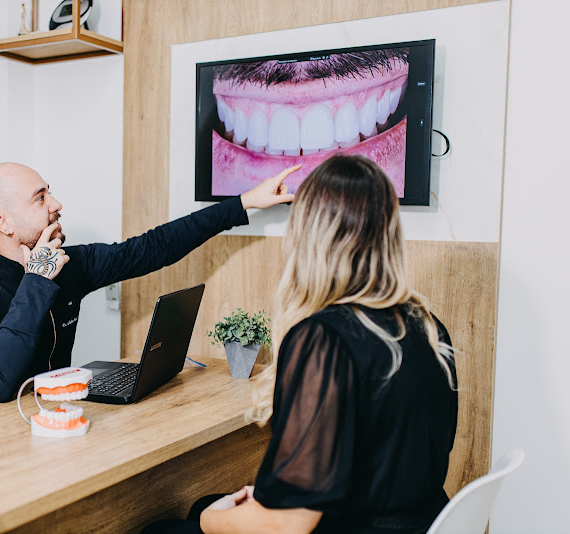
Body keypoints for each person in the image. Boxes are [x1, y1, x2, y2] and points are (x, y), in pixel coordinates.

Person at [143, 155, 458, 534]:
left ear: (307, 236)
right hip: (409, 518)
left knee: (171, 525)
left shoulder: (324, 338)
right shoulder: (426, 325)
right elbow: (376, 452)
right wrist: (274, 497)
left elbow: (287, 527)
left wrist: (212, 522)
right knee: (204, 504)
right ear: (387, 234)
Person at [0, 162, 297, 403]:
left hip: (42, 422)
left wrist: (244, 203)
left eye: (50, 192)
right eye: (40, 198)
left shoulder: (71, 264)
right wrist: (37, 279)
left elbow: (155, 247)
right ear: (3, 221)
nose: (56, 204)